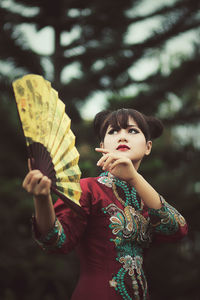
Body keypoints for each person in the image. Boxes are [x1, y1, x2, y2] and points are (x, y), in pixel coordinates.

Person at [23, 108, 188, 300]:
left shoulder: (147, 198)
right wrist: (42, 199)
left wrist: (134, 177)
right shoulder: (88, 189)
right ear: (102, 145)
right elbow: (55, 241)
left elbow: (177, 230)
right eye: (113, 131)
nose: (122, 137)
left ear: (148, 147)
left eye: (132, 131)